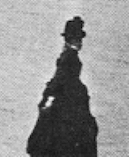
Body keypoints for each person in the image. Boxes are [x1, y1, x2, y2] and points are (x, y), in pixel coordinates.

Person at [27, 16, 98, 157]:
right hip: (69, 97)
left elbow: (59, 78)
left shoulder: (68, 55)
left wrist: (49, 96)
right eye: (77, 39)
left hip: (68, 95)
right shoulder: (70, 57)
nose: (79, 43)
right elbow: (61, 77)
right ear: (70, 39)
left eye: (79, 40)